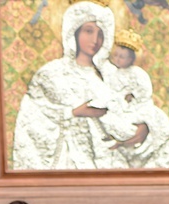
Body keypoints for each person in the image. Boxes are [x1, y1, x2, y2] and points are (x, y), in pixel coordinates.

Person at [12, 1, 159, 170]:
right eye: (88, 31)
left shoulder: (114, 74)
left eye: (101, 34)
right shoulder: (51, 73)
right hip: (68, 162)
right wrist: (73, 113)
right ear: (73, 31)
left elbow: (141, 106)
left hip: (111, 159)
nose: (95, 40)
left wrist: (143, 128)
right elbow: (31, 117)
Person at [98, 29, 169, 168]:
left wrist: (132, 96)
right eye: (115, 55)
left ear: (131, 59)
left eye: (122, 57)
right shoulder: (111, 72)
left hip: (136, 106)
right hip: (117, 106)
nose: (117, 59)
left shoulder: (138, 74)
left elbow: (143, 92)